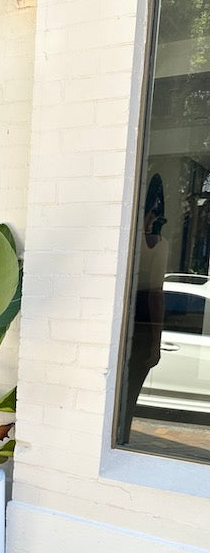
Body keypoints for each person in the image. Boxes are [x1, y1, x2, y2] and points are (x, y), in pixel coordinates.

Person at [119, 173, 169, 443]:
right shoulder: (158, 246)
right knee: (129, 396)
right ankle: (122, 439)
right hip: (141, 328)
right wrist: (156, 343)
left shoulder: (126, 242)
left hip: (122, 322)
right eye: (151, 213)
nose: (153, 219)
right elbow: (155, 297)